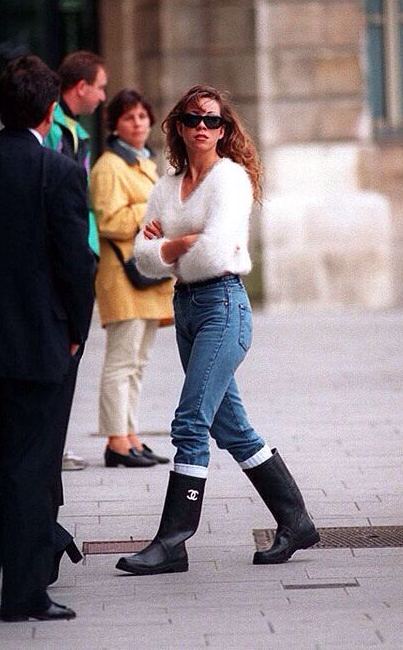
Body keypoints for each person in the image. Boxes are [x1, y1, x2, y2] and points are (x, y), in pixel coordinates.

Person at [115, 85, 320, 576]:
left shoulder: (231, 180)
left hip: (223, 307)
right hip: (186, 307)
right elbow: (142, 259)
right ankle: (297, 522)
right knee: (231, 428)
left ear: (224, 130)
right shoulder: (166, 186)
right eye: (193, 119)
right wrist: (182, 243)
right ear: (179, 127)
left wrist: (169, 242)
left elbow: (214, 251)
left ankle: (173, 541)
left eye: (212, 121)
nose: (202, 128)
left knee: (190, 421)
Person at [0, 55, 95, 620]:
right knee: (28, 470)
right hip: (40, 343)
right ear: (50, 111)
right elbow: (75, 264)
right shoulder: (60, 173)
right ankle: (23, 595)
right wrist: (77, 332)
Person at [90, 89, 174, 468]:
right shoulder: (110, 166)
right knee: (121, 362)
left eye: (142, 116)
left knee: (137, 363)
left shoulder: (146, 162)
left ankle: (130, 436)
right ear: (115, 124)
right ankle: (115, 441)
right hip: (123, 276)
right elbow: (108, 221)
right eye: (129, 118)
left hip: (145, 275)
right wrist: (150, 213)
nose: (138, 123)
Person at [44, 49, 107, 473]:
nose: (103, 96)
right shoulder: (56, 131)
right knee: (64, 354)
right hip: (66, 256)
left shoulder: (74, 130)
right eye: (100, 87)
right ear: (80, 87)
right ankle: (51, 446)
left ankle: (55, 443)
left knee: (73, 354)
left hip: (80, 251)